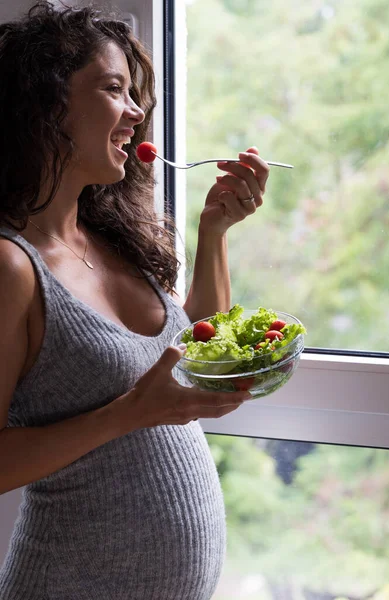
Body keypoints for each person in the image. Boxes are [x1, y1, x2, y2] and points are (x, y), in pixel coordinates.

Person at [0, 2, 270, 598]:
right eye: (114, 89)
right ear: (47, 106)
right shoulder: (11, 266)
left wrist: (214, 232)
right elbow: (143, 402)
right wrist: (131, 411)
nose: (137, 112)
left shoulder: (110, 236)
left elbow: (191, 352)